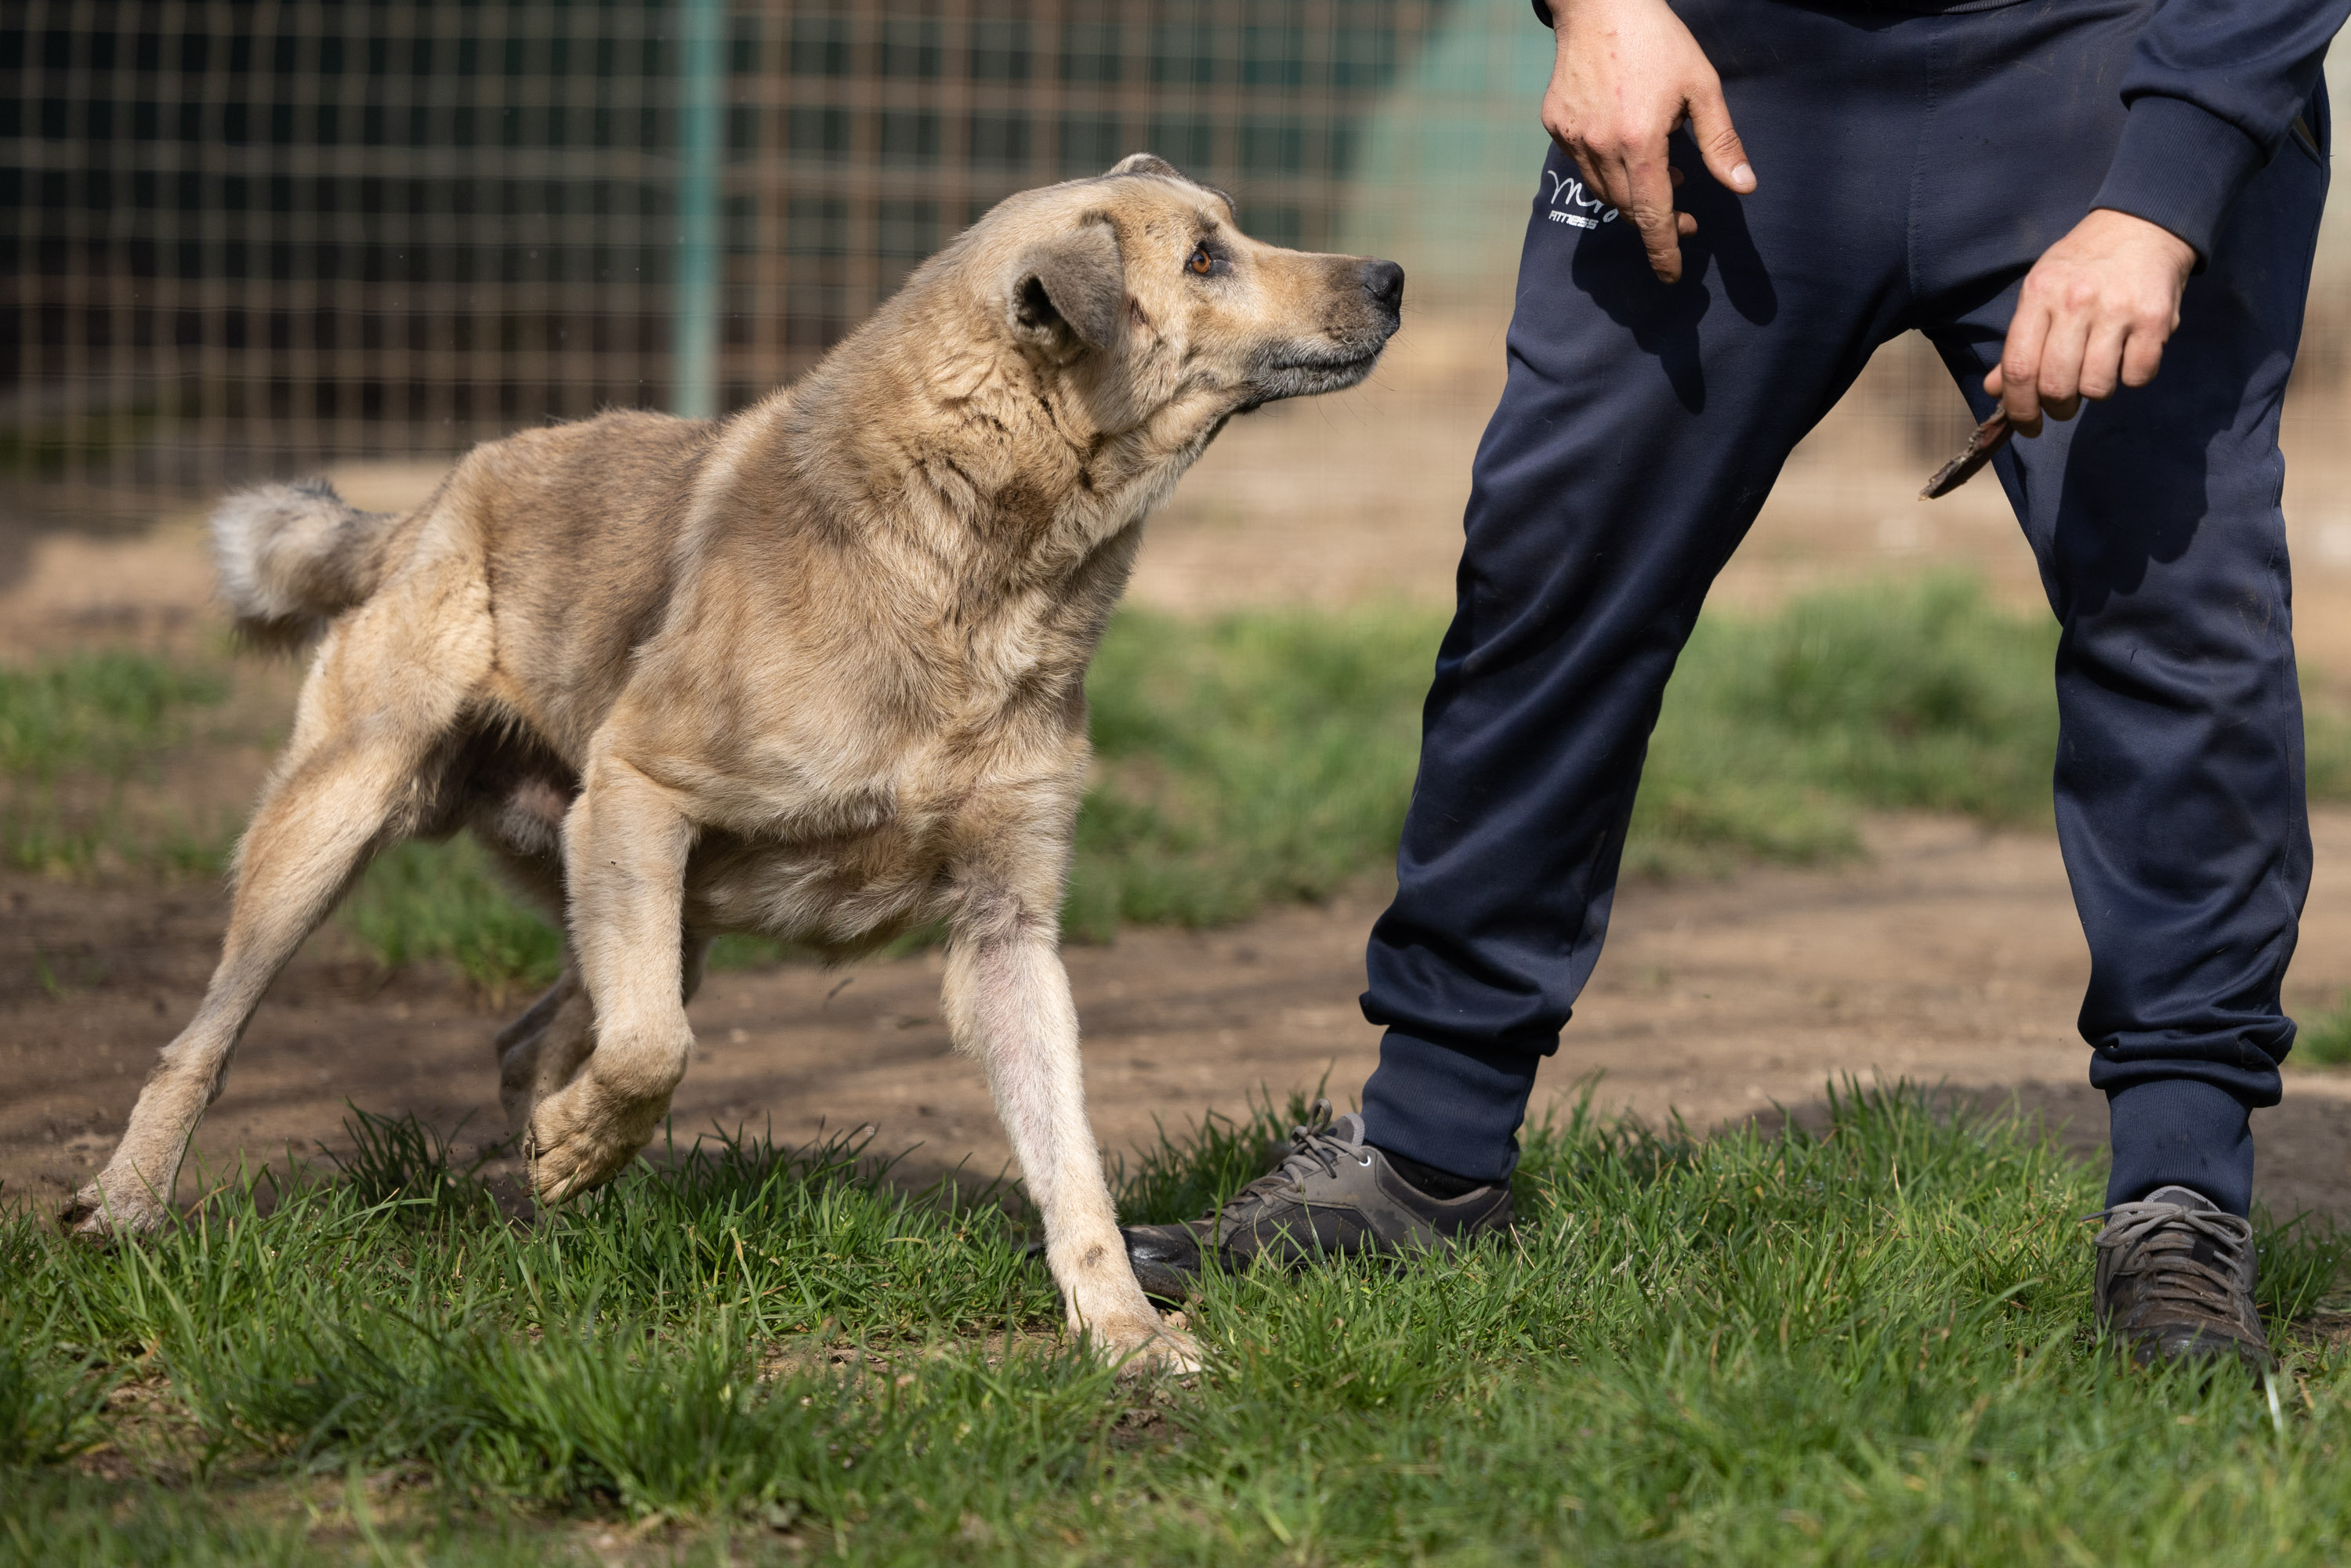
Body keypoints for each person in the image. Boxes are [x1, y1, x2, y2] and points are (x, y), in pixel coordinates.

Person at [1122, 0, 2346, 1373]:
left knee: (2180, 611)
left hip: (2106, 63)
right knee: (1555, 572)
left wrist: (2166, 192)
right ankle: (1427, 1153)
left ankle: (2181, 1194)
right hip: (1722, 63)